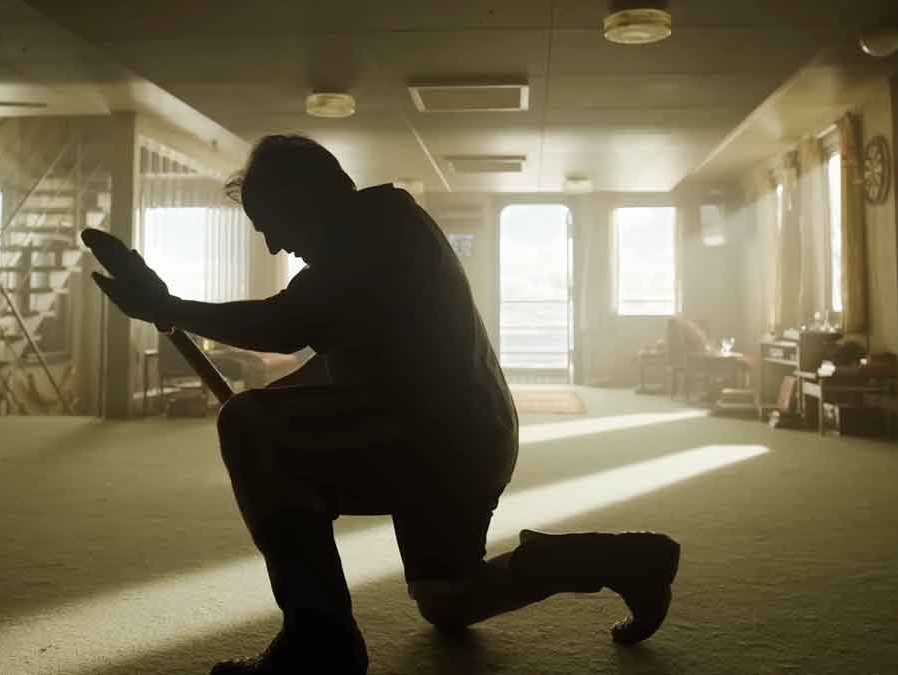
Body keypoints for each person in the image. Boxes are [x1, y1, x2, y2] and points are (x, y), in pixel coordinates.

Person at [91, 135, 680, 674]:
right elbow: (345, 354)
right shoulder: (381, 229)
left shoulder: (372, 234)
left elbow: (283, 325)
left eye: (270, 223)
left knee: (248, 426)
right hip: (455, 439)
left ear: (306, 196)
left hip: (438, 440)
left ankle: (318, 642)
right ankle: (625, 560)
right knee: (450, 601)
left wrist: (167, 307)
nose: (273, 243)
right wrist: (275, 402)